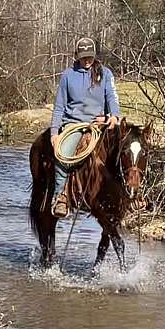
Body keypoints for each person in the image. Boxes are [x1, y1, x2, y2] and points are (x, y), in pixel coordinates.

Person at [49, 37, 121, 218]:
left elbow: (111, 97)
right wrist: (54, 133)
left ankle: (131, 194)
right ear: (77, 56)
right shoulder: (67, 75)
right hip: (73, 124)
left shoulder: (105, 74)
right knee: (63, 155)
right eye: (83, 57)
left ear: (94, 56)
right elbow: (59, 106)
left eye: (90, 57)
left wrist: (113, 116)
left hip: (98, 124)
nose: (87, 61)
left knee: (125, 151)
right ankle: (61, 196)